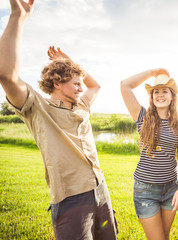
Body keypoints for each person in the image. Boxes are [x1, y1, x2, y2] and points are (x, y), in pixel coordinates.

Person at [0, 1, 118, 239]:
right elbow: (7, 75)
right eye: (75, 83)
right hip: (71, 199)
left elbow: (96, 85)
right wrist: (17, 17)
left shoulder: (81, 105)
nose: (80, 88)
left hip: (100, 189)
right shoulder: (37, 108)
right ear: (57, 83)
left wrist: (69, 60)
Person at [120, 70, 178, 240]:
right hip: (146, 190)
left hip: (171, 188)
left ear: (172, 96)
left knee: (165, 235)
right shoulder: (142, 116)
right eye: (155, 91)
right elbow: (124, 85)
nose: (159, 95)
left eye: (164, 91)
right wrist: (152, 72)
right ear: (151, 97)